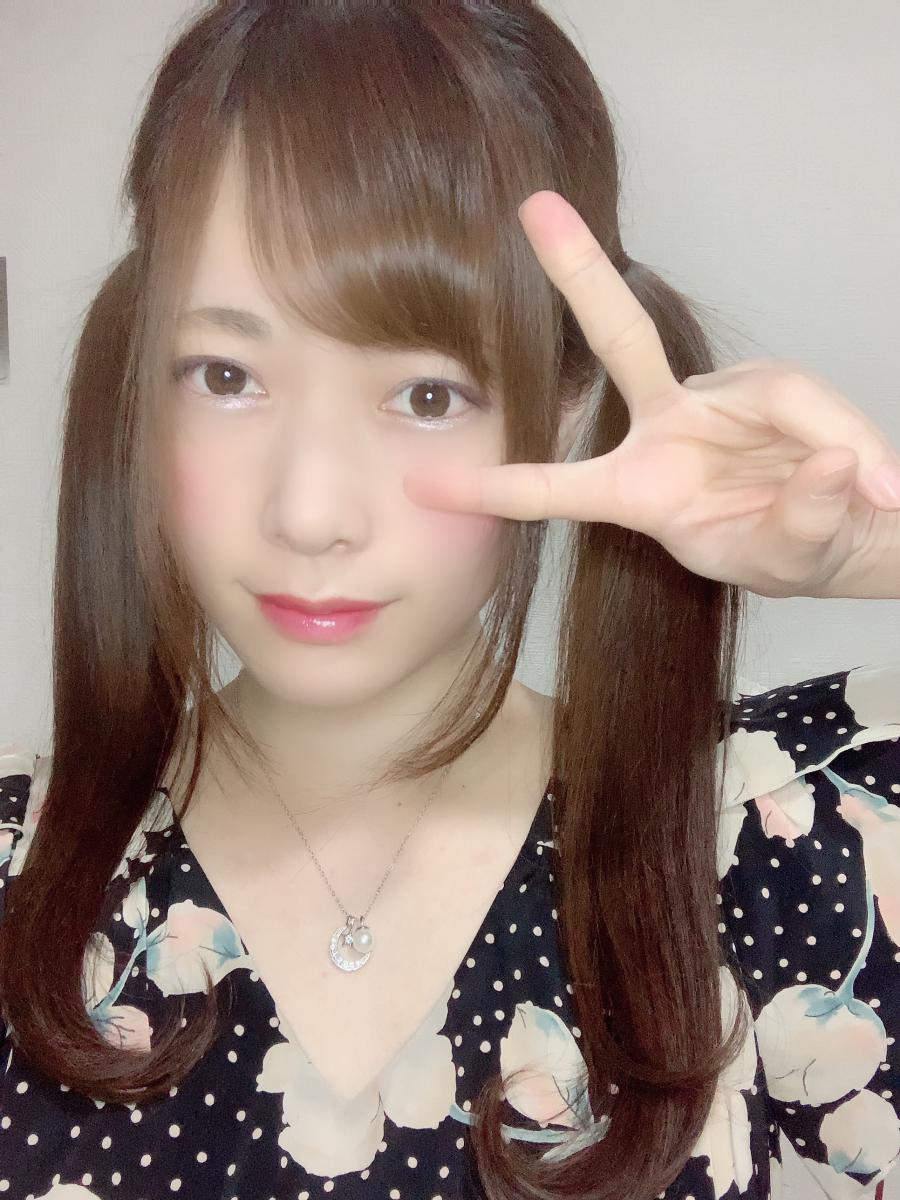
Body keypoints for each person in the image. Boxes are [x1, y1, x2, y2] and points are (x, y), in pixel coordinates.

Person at [0, 2, 898, 1198]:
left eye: (426, 395)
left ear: (567, 410)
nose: (310, 512)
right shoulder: (18, 871)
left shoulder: (786, 847)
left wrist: (883, 551)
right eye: (226, 375)